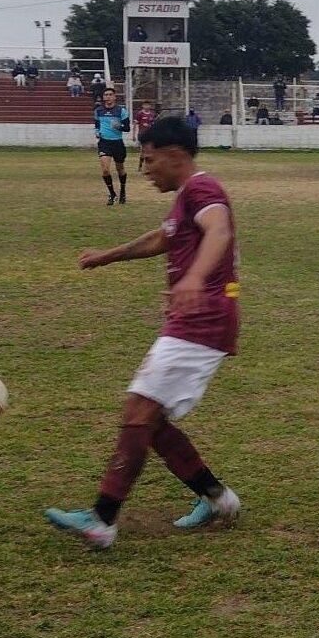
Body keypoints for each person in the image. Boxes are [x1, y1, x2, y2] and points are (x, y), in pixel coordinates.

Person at [44, 116, 243, 550]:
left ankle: (102, 520)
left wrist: (195, 279)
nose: (145, 169)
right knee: (147, 419)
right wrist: (107, 256)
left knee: (139, 411)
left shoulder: (204, 191)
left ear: (175, 156)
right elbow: (160, 239)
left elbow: (219, 230)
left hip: (204, 318)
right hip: (190, 320)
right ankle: (216, 498)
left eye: (149, 160)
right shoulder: (187, 195)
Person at [90, 87, 132, 205]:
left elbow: (127, 128)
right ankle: (112, 194)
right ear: (103, 97)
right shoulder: (98, 111)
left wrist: (118, 126)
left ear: (114, 97)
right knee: (105, 170)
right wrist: (97, 132)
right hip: (104, 143)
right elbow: (97, 125)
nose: (108, 97)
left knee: (120, 169)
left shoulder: (121, 111)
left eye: (110, 95)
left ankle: (122, 191)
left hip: (117, 143)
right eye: (106, 95)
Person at [133, 100, 158, 172]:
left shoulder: (152, 115)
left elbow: (153, 125)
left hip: (150, 135)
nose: (146, 106)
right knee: (144, 151)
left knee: (150, 151)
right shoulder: (140, 114)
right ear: (143, 106)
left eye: (148, 105)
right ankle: (140, 167)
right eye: (145, 105)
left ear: (150, 106)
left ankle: (147, 167)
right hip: (142, 135)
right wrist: (134, 134)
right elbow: (135, 124)